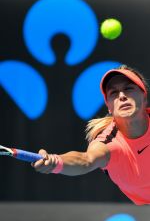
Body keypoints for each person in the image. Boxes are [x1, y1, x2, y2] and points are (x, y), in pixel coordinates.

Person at [32, 64, 150, 206]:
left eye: (128, 89)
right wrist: (55, 162)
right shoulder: (108, 143)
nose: (122, 96)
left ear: (144, 96)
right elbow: (85, 160)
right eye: (114, 93)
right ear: (109, 106)